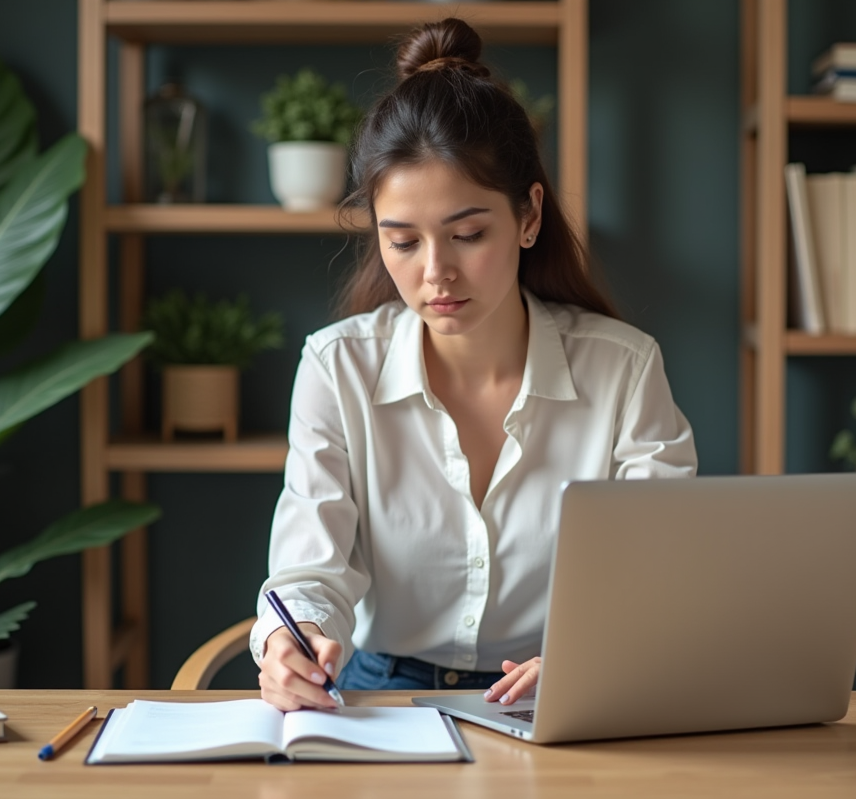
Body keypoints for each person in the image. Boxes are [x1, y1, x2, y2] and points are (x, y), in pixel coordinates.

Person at [250, 17, 697, 712]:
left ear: (529, 216)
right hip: (380, 696)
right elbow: (310, 566)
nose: (436, 272)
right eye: (403, 242)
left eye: (467, 233)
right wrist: (293, 639)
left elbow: (658, 571)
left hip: (558, 692)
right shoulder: (338, 368)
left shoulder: (623, 370)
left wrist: (591, 656)